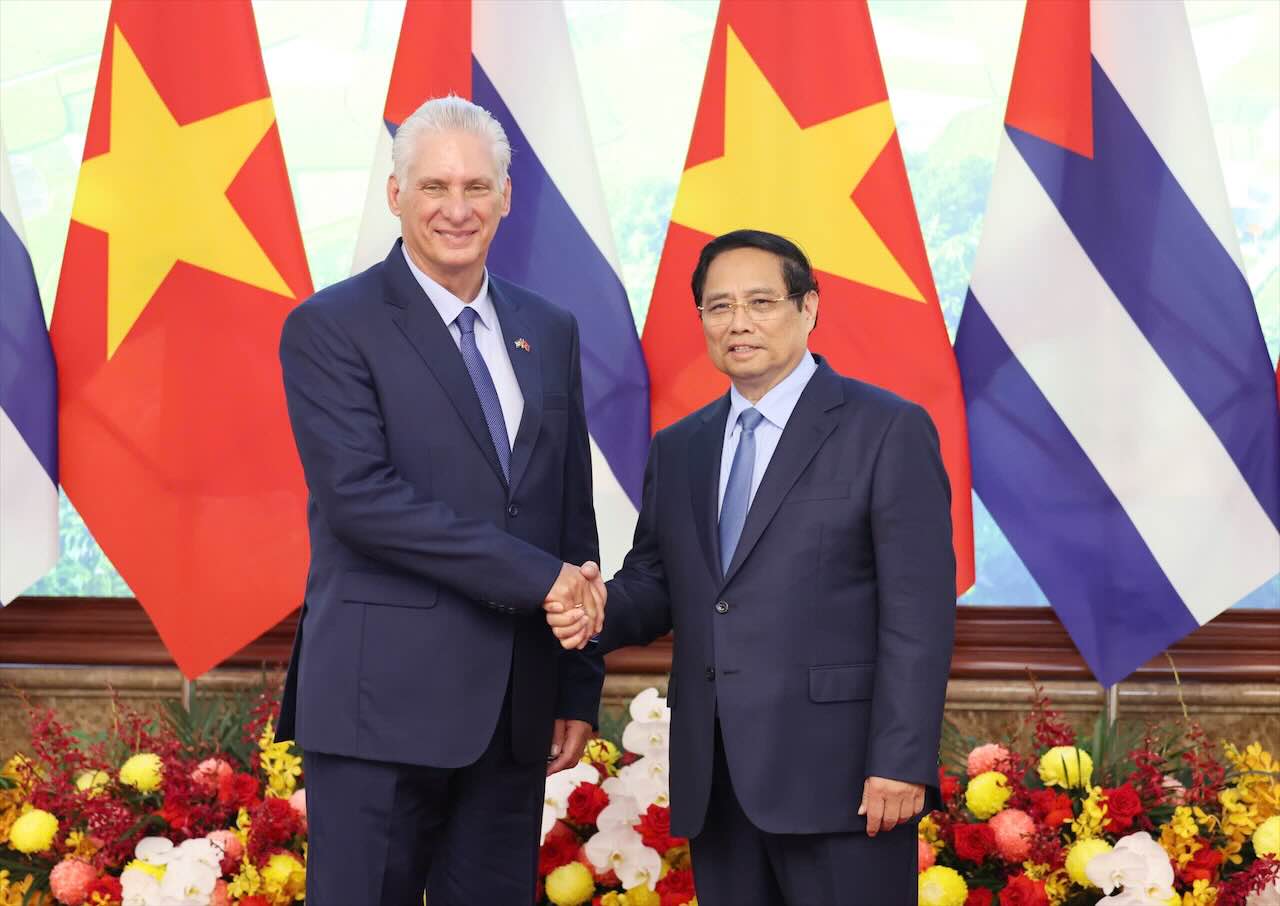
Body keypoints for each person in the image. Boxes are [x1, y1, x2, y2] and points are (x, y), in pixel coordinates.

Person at [549, 229, 956, 905]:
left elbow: (919, 613)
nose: (738, 322)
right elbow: (658, 585)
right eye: (718, 306)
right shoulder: (680, 447)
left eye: (761, 301)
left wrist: (901, 760)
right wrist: (589, 607)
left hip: (846, 781)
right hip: (719, 781)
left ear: (808, 308)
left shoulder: (886, 429)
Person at [276, 95, 606, 906]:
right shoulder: (330, 326)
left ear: (505, 197)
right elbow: (362, 501)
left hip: (514, 711)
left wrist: (575, 685)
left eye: (475, 187)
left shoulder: (550, 328)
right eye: (433, 187)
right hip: (378, 709)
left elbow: (569, 511)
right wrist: (542, 580)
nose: (456, 209)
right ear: (396, 195)